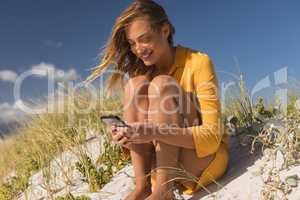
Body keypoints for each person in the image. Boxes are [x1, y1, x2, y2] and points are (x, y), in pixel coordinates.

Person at [86, 1, 229, 199]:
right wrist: (126, 137)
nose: (138, 49)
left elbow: (212, 137)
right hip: (162, 167)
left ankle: (164, 192)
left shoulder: (198, 62)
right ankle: (142, 187)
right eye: (132, 43)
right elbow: (144, 142)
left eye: (144, 39)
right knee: (135, 86)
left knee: (163, 84)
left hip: (200, 163)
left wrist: (154, 131)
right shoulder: (142, 74)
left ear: (165, 30)